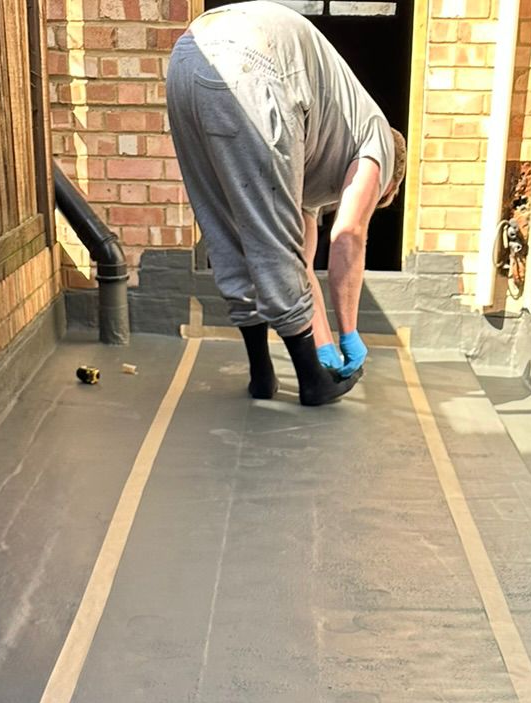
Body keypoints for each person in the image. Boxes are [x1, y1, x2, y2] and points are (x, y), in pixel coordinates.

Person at [166, 0, 406, 406]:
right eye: (378, 199)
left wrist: (324, 344)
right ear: (388, 183)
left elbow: (302, 263)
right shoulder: (379, 137)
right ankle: (311, 380)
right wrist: (349, 333)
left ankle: (262, 374)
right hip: (253, 59)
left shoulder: (317, 153)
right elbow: (348, 234)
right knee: (265, 234)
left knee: (225, 227)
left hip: (186, 57)